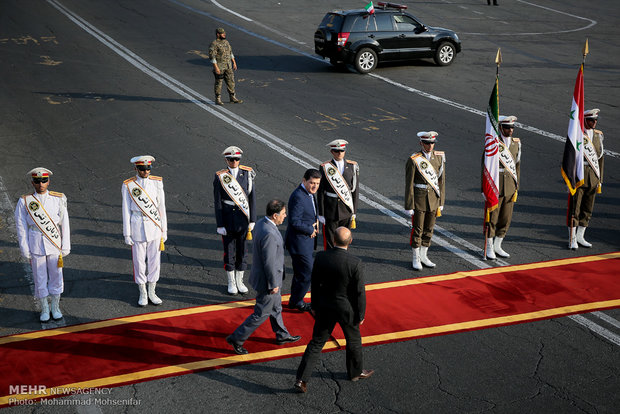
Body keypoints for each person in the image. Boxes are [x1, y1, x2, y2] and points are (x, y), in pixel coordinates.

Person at [294, 227, 372, 393]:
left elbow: (314, 284)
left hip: (325, 307)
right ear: (350, 241)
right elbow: (359, 292)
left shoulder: (321, 257)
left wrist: (314, 305)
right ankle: (355, 372)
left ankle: (302, 379)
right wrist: (361, 313)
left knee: (316, 343)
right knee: (353, 341)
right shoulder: (355, 262)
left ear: (333, 240)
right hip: (346, 308)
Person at [226, 200, 301, 355]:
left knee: (276, 307)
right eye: (283, 213)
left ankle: (281, 334)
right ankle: (237, 338)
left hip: (267, 278)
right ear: (275, 215)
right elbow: (269, 262)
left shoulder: (262, 223)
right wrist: (274, 284)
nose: (285, 216)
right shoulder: (270, 234)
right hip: (269, 281)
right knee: (261, 314)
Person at [15, 168, 70, 322]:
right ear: (32, 182)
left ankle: (55, 307)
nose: (41, 184)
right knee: (39, 277)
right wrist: (24, 248)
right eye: (37, 181)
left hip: (54, 243)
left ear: (48, 181)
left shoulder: (58, 198)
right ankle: (45, 308)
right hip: (36, 243)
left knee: (56, 276)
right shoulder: (25, 201)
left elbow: (65, 223)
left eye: (44, 180)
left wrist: (65, 245)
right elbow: (21, 226)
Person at [122, 155, 167, 307]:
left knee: (154, 261)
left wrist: (164, 230)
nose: (146, 171)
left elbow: (162, 209)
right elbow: (126, 210)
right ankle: (142, 291)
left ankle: (152, 291)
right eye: (142, 169)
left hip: (154, 227)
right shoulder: (128, 185)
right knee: (139, 262)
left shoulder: (157, 183)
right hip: (137, 226)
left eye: (148, 168)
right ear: (136, 168)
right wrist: (127, 233)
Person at [213, 146, 256, 295]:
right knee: (229, 251)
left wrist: (252, 219)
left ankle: (240, 280)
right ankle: (231, 282)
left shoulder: (247, 174)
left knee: (243, 251)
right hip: (228, 218)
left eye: (237, 159)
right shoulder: (220, 176)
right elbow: (218, 202)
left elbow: (252, 198)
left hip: (243, 218)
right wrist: (220, 224)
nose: (234, 161)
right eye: (231, 159)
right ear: (226, 160)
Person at [404, 131, 446, 270]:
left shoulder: (439, 158)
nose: (430, 146)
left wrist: (441, 202)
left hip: (433, 199)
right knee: (418, 229)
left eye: (432, 143)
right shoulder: (414, 159)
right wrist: (409, 204)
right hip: (419, 198)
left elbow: (441, 182)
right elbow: (409, 183)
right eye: (427, 143)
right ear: (421, 143)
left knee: (429, 229)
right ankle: (415, 257)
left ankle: (424, 255)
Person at [483, 116, 521, 259]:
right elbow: (485, 166)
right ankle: (490, 246)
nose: (510, 130)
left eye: (512, 128)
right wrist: (484, 188)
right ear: (500, 128)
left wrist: (516, 187)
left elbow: (517, 167)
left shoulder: (516, 144)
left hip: (510, 186)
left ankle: (498, 244)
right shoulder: (493, 143)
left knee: (505, 218)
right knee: (493, 218)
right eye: (507, 128)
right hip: (495, 186)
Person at [285, 169, 321, 312]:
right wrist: (310, 229)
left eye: (317, 183)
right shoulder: (299, 196)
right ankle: (297, 301)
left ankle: (295, 300)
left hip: (305, 242)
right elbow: (294, 221)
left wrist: (315, 222)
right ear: (304, 180)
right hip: (299, 242)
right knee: (307, 272)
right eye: (312, 183)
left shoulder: (309, 194)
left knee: (301, 273)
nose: (315, 186)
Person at [569, 108, 605, 249]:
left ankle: (580, 236)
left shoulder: (598, 136)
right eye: (591, 120)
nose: (594, 122)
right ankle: (572, 238)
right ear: (584, 120)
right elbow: (570, 158)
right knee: (575, 208)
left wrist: (599, 180)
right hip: (580, 175)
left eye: (595, 120)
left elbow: (600, 159)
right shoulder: (577, 135)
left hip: (593, 177)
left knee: (587, 208)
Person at [317, 139, 359, 250]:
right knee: (330, 240)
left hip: (346, 209)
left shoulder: (352, 167)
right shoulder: (325, 167)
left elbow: (355, 191)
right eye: (336, 151)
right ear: (332, 152)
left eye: (342, 150)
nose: (339, 153)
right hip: (330, 209)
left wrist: (354, 211)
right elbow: (320, 191)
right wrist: (321, 213)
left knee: (344, 239)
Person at [208, 27, 242, 106]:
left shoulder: (226, 42)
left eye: (224, 33)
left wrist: (234, 62)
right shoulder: (214, 44)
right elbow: (212, 57)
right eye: (222, 33)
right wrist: (216, 67)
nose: (224, 34)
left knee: (231, 81)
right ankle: (218, 99)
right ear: (218, 34)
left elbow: (230, 53)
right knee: (219, 82)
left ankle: (232, 97)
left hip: (228, 65)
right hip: (220, 66)